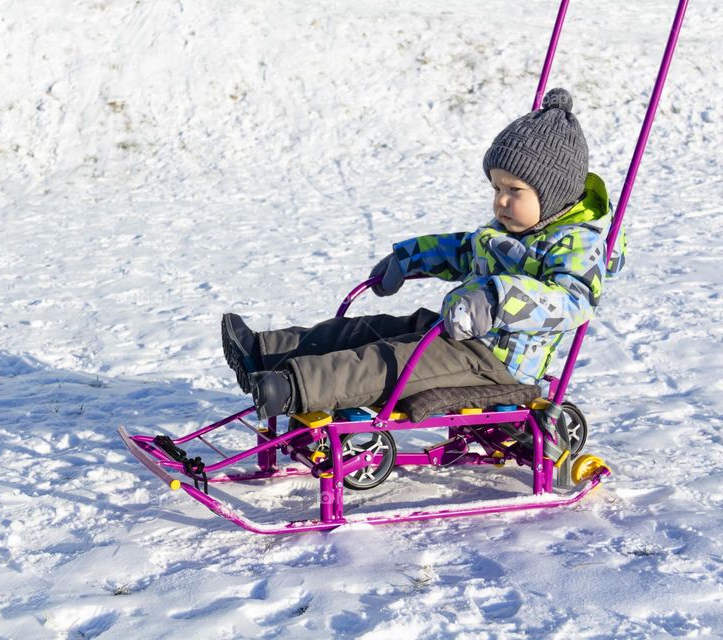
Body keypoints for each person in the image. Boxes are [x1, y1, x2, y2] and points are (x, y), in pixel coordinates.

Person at [222, 88, 625, 419]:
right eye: (495, 188)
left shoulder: (578, 244)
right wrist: (408, 258)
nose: (500, 201)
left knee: (390, 361)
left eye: (514, 191)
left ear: (551, 194)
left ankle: (292, 387)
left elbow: (574, 302)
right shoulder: (509, 228)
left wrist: (498, 297)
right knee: (373, 328)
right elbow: (463, 250)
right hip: (460, 332)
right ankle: (265, 352)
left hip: (498, 364)